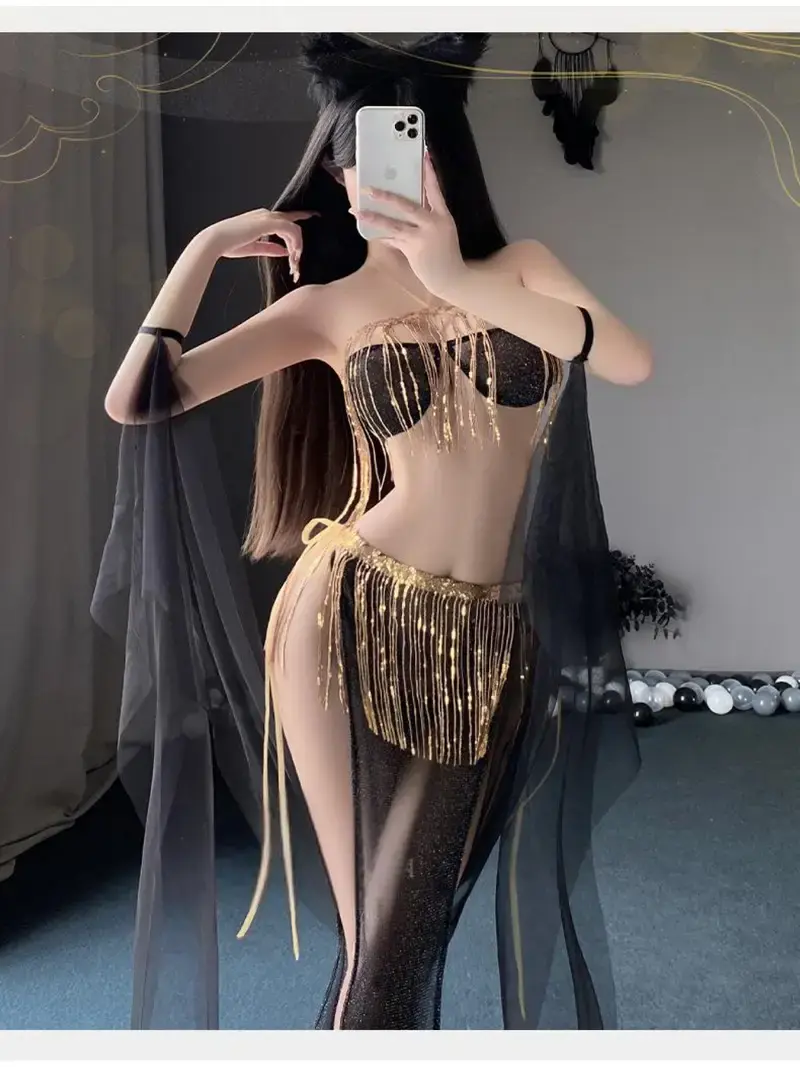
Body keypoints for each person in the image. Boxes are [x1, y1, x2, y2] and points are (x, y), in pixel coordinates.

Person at [93, 32, 651, 1031]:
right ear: (340, 184)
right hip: (346, 616)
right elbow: (139, 398)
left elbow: (626, 360)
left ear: (444, 165)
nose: (380, 187)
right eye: (361, 170)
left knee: (405, 932)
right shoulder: (327, 306)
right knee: (384, 941)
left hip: (492, 632)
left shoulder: (521, 270)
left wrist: (454, 274)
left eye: (404, 159)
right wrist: (205, 248)